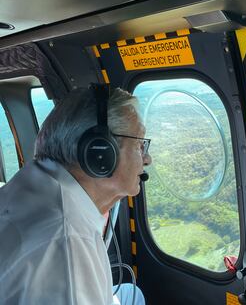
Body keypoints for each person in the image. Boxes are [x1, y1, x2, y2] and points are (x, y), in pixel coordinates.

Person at [0, 87, 151, 304]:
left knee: (131, 293)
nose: (147, 159)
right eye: (139, 144)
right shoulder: (66, 244)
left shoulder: (36, 180)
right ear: (100, 153)